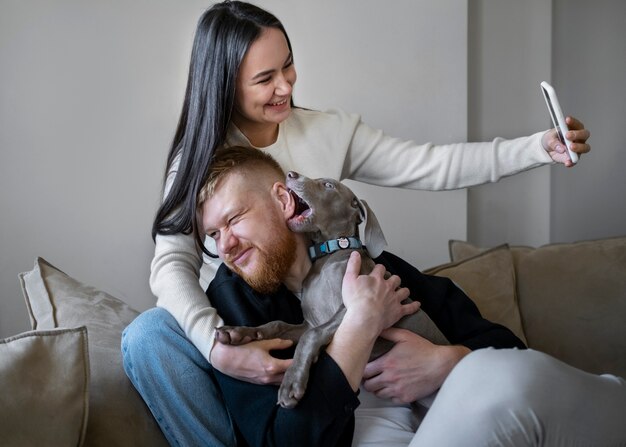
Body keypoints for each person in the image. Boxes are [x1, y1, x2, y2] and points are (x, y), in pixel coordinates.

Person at [124, 0, 594, 444]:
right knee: (147, 336)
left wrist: (535, 149)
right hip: (243, 322)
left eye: (287, 65)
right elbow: (170, 265)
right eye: (265, 78)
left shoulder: (327, 133)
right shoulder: (201, 165)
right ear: (226, 84)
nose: (286, 86)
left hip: (333, 305)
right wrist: (216, 346)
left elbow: (430, 164)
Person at [123, 146, 626, 446]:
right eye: (211, 236)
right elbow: (284, 442)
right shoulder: (237, 310)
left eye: (233, 220)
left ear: (282, 200)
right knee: (504, 383)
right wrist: (359, 328)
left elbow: (505, 348)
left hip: (470, 421)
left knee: (505, 376)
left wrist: (446, 362)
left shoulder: (373, 265)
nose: (224, 245)